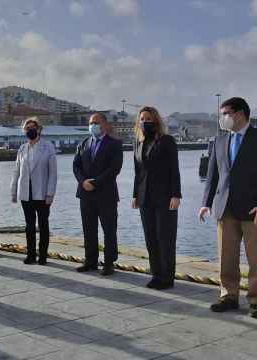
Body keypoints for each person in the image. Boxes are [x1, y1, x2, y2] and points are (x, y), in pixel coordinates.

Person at [200, 97, 257, 318]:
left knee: (255, 258)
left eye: (226, 113)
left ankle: (255, 300)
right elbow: (212, 175)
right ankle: (228, 296)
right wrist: (205, 203)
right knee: (226, 256)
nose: (223, 118)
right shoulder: (220, 139)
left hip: (252, 209)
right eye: (222, 114)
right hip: (225, 208)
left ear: (241, 113)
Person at [132, 106, 181, 290]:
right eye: (142, 119)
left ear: (157, 121)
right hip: (145, 198)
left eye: (149, 119)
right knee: (150, 237)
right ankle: (156, 274)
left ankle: (167, 277)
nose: (145, 122)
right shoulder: (138, 143)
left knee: (165, 237)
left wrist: (176, 195)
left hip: (165, 197)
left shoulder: (167, 141)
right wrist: (135, 195)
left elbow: (174, 170)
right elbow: (138, 173)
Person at [73, 113, 123, 276]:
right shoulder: (83, 144)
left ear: (104, 124)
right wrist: (83, 182)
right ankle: (90, 261)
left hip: (106, 194)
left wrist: (94, 182)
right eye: (91, 123)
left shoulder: (114, 144)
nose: (93, 125)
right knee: (89, 229)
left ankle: (109, 263)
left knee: (109, 230)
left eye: (96, 122)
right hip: (85, 194)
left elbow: (114, 169)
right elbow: (76, 166)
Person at [10, 117, 57, 265]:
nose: (30, 130)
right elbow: (16, 171)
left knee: (43, 224)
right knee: (29, 225)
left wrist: (50, 193)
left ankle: (42, 255)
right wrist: (13, 191)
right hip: (26, 192)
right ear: (24, 131)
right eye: (27, 128)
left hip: (42, 193)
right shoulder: (22, 149)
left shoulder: (48, 147)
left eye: (33, 127)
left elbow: (53, 173)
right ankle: (31, 254)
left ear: (39, 130)